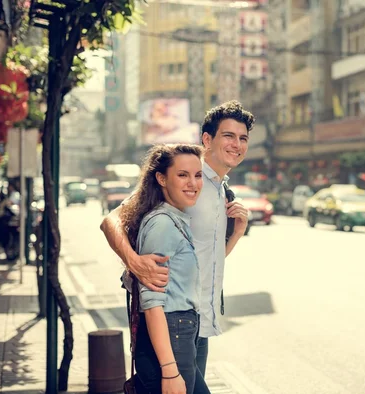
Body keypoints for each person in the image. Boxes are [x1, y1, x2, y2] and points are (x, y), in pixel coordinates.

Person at [101, 100, 253, 377]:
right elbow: (111, 220)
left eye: (243, 138)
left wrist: (237, 234)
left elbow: (201, 259)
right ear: (207, 139)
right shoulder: (186, 182)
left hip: (200, 320)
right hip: (172, 320)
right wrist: (134, 261)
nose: (237, 144)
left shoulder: (221, 190)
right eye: (228, 136)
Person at [121, 143, 212, 394]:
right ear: (161, 178)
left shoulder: (175, 218)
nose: (192, 183)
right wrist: (170, 371)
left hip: (181, 332)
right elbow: (152, 304)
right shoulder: (162, 224)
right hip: (172, 333)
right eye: (182, 175)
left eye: (197, 175)